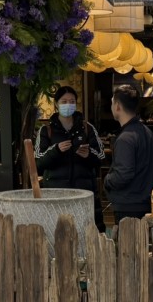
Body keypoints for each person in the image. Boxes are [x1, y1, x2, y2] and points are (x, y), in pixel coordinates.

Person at [35, 85, 105, 230]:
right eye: (64, 101)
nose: (68, 104)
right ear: (56, 104)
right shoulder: (46, 130)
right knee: (57, 233)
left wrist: (88, 155)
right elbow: (38, 162)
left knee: (85, 232)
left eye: (72, 101)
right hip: (56, 196)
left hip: (83, 194)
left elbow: (101, 157)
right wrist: (56, 150)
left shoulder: (87, 128)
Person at [103, 84, 153, 223]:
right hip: (145, 202)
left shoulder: (125, 138)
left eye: (112, 102)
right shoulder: (148, 133)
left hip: (128, 206)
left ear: (117, 106)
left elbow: (123, 175)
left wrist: (107, 180)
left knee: (128, 238)